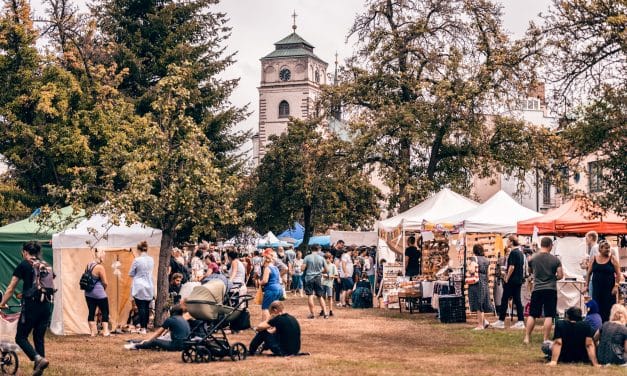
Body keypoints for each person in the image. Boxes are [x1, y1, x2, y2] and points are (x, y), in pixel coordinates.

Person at [0, 242, 51, 376]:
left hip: (32, 307)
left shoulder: (24, 264)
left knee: (21, 337)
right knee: (38, 337)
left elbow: (11, 288)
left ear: (24, 252)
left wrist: (2, 302)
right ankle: (39, 368)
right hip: (46, 305)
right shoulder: (45, 264)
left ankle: (37, 358)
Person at [524, 237, 563, 345]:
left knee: (532, 314)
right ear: (550, 245)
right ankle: (545, 339)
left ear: (541, 245)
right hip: (550, 289)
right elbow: (560, 275)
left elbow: (530, 271)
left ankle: (527, 337)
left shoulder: (533, 258)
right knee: (549, 315)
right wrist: (553, 278)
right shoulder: (555, 260)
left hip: (537, 289)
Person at [492, 235, 526, 329]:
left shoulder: (513, 253)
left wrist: (506, 277)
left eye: (507, 241)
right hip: (518, 280)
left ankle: (501, 321)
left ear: (511, 242)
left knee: (504, 299)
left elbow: (512, 267)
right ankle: (520, 321)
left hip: (512, 280)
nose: (506, 243)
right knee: (517, 300)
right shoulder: (520, 253)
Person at [124, 304, 190, 351]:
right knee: (161, 339)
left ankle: (135, 346)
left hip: (176, 346)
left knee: (155, 341)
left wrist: (149, 340)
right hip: (185, 345)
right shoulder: (183, 319)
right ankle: (135, 341)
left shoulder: (171, 319)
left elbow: (158, 333)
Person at [586, 240, 622, 322]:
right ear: (600, 249)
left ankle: (608, 326)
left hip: (609, 289)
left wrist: (616, 286)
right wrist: (586, 286)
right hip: (597, 289)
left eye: (609, 248)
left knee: (608, 308)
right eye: (606, 248)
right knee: (597, 307)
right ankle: (598, 326)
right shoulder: (594, 258)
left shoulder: (612, 258)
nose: (608, 250)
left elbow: (618, 274)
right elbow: (588, 273)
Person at [129, 241, 154, 335]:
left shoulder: (137, 260)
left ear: (138, 249)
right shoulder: (151, 259)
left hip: (139, 285)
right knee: (147, 307)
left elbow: (131, 273)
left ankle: (143, 328)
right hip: (149, 284)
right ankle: (145, 327)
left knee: (141, 307)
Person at [84, 249, 111, 337]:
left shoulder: (88, 265)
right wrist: (104, 289)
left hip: (88, 293)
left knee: (91, 311)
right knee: (105, 311)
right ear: (101, 257)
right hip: (99, 293)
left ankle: (92, 332)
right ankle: (106, 331)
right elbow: (105, 282)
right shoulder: (100, 267)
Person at [467, 244, 491, 330]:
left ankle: (480, 325)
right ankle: (485, 322)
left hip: (476, 282)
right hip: (484, 282)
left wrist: (468, 266)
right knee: (482, 302)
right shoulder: (487, 260)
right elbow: (488, 273)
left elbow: (472, 270)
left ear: (474, 251)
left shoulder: (474, 259)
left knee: (478, 304)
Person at [301, 244, 328, 319]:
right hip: (318, 278)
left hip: (309, 278)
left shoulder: (307, 257)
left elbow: (302, 269)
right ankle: (325, 313)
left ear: (311, 249)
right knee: (320, 296)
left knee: (310, 295)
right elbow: (327, 269)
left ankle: (312, 314)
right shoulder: (321, 258)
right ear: (318, 249)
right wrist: (320, 271)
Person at [260, 248, 283, 321]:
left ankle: (265, 326)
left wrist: (260, 283)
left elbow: (265, 281)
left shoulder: (268, 268)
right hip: (279, 289)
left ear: (266, 258)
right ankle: (275, 325)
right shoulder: (276, 268)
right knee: (274, 308)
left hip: (271, 289)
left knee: (265, 308)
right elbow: (280, 280)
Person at [321, 252, 337, 317]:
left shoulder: (333, 266)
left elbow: (336, 275)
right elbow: (320, 273)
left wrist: (329, 276)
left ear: (330, 259)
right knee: (322, 297)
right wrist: (322, 275)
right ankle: (323, 310)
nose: (327, 260)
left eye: (328, 258)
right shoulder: (322, 265)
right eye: (325, 259)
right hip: (323, 283)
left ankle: (330, 310)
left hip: (329, 284)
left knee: (330, 297)